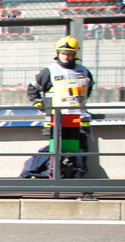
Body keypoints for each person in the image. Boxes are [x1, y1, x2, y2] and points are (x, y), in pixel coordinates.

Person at [26, 35, 94, 178]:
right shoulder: (50, 71)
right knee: (57, 150)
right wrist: (40, 104)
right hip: (59, 117)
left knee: (80, 151)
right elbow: (33, 88)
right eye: (63, 53)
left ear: (75, 54)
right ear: (57, 54)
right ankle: (55, 177)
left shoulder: (84, 71)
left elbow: (88, 90)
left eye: (70, 54)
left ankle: (79, 181)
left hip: (79, 117)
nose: (66, 57)